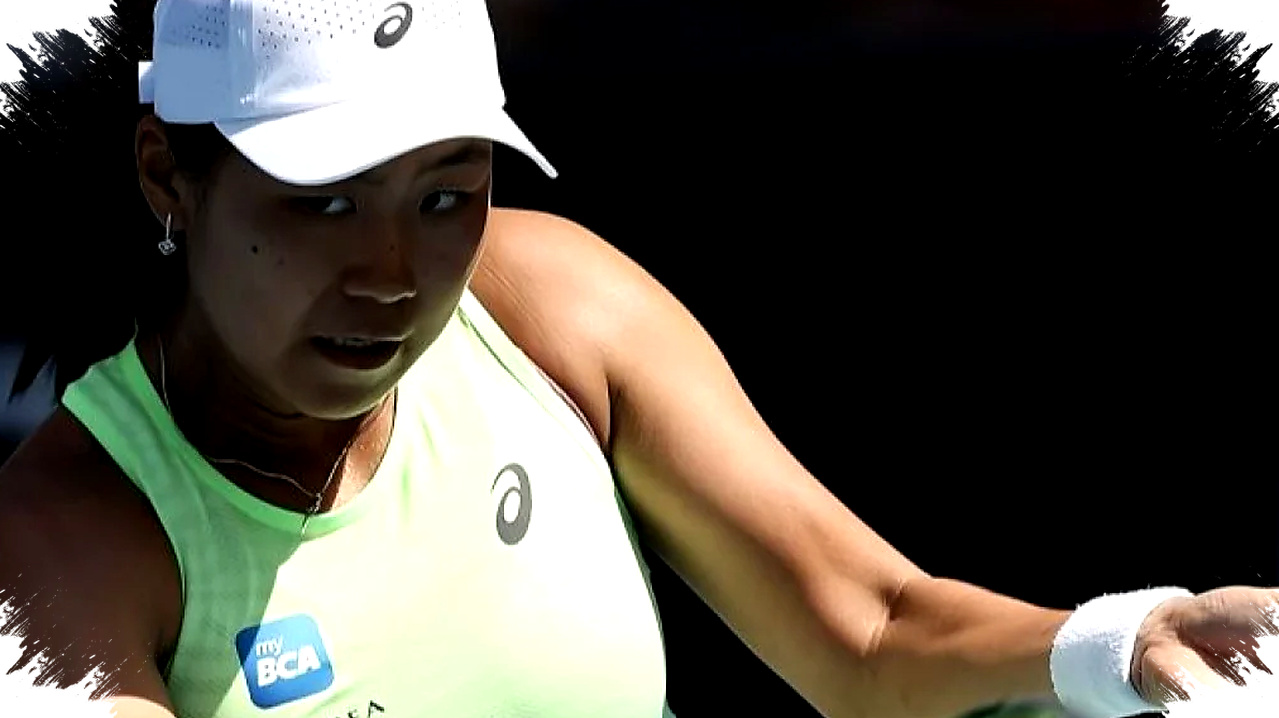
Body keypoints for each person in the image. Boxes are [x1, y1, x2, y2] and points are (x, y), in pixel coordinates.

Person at [0, 1, 1275, 717]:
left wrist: (1131, 637)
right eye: (323, 200)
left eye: (445, 195)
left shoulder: (553, 300)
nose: (391, 272)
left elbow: (872, 630)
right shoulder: (54, 550)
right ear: (167, 172)